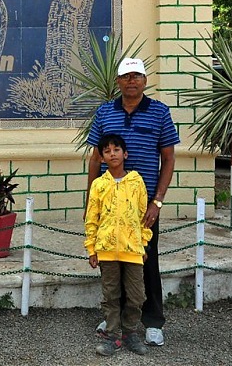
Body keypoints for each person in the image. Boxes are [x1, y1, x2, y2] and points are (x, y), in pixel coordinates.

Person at [86, 57, 180, 347]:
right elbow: (94, 159)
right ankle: (117, 320)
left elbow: (168, 158)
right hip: (109, 204)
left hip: (143, 207)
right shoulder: (104, 113)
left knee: (145, 263)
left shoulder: (160, 112)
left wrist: (158, 202)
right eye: (126, 76)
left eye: (137, 75)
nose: (131, 81)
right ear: (118, 82)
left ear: (144, 80)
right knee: (113, 261)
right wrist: (91, 199)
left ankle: (152, 321)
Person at [85, 134, 152, 356]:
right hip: (105, 250)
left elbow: (143, 215)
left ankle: (130, 332)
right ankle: (112, 335)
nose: (112, 154)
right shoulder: (98, 185)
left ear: (125, 154)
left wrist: (142, 244)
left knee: (136, 295)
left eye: (116, 149)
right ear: (102, 157)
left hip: (132, 249)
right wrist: (91, 248)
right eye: (107, 151)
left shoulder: (136, 181)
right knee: (110, 294)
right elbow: (92, 217)